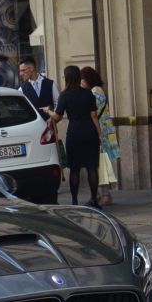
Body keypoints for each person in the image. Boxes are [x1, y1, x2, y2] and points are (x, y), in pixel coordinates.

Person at [47, 65, 102, 206]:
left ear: (67, 78)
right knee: (91, 167)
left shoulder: (65, 95)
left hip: (74, 133)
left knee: (75, 168)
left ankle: (74, 201)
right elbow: (94, 115)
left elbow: (57, 117)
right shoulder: (88, 93)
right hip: (89, 132)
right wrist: (99, 134)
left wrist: (48, 111)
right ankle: (95, 200)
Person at [81, 67, 120, 207]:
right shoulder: (93, 90)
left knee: (100, 163)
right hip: (98, 129)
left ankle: (104, 194)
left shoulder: (96, 90)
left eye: (83, 79)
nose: (81, 82)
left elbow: (92, 110)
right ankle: (97, 194)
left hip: (99, 130)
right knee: (94, 164)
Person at [18, 56, 59, 122]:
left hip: (49, 128)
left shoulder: (51, 84)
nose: (21, 74)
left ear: (31, 68)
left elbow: (58, 104)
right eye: (20, 71)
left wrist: (53, 118)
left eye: (23, 70)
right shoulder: (22, 89)